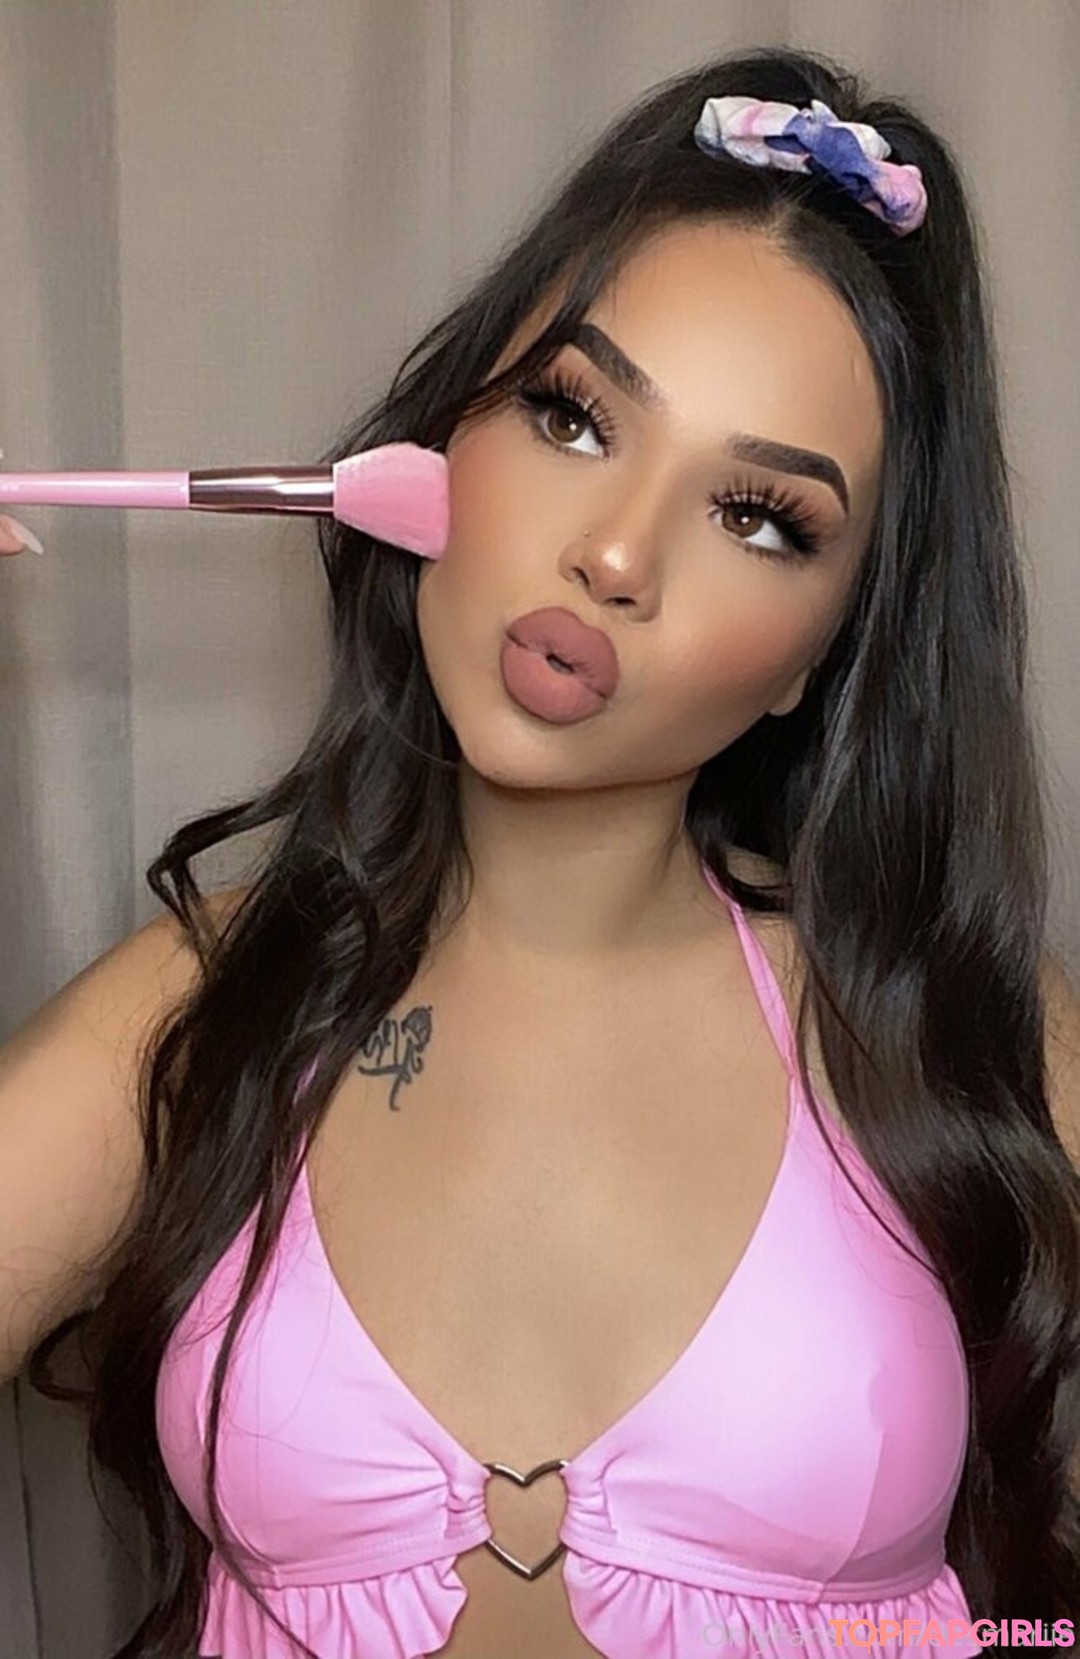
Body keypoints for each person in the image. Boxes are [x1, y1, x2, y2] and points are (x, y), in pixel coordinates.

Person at [3, 40, 1078, 1659]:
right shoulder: (201, 1002)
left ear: (817, 658)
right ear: (439, 450)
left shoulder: (948, 1027)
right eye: (574, 418)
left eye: (760, 518)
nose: (617, 555)